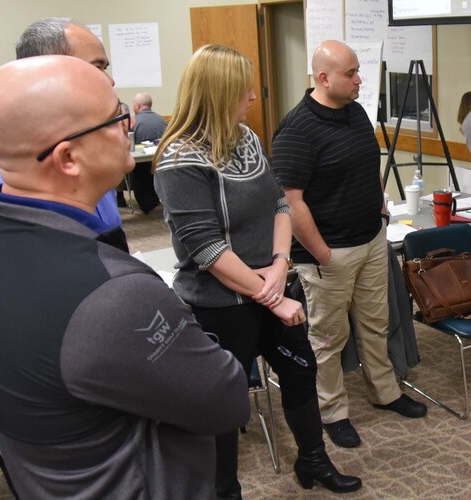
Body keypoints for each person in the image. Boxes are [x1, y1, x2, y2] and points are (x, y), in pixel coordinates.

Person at [0, 54, 250, 499]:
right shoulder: (116, 293)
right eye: (116, 117)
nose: (130, 125)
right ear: (67, 158)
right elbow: (227, 399)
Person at [153, 45, 361, 496]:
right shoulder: (179, 157)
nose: (252, 95)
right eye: (242, 87)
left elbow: (279, 204)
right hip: (220, 305)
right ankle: (225, 490)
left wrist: (280, 265)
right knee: (225, 403)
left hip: (271, 283)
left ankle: (313, 461)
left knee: (301, 371)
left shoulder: (244, 137)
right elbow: (207, 250)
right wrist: (272, 294)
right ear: (217, 92)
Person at [272, 39, 427, 449]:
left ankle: (386, 392)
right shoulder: (297, 127)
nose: (360, 80)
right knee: (328, 339)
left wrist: (380, 211)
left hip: (372, 241)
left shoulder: (356, 113)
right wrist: (322, 253)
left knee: (376, 324)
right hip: (329, 255)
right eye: (351, 73)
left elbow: (369, 165)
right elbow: (291, 200)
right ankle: (333, 412)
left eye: (358, 71)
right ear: (323, 79)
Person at [0, 17, 124, 236]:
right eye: (96, 67)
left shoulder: (92, 159)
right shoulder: (0, 187)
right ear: (48, 72)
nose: (110, 82)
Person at [128, 91, 165, 214]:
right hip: (161, 165)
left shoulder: (133, 122)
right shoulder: (162, 121)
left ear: (137, 106)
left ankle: (146, 206)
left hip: (140, 168)